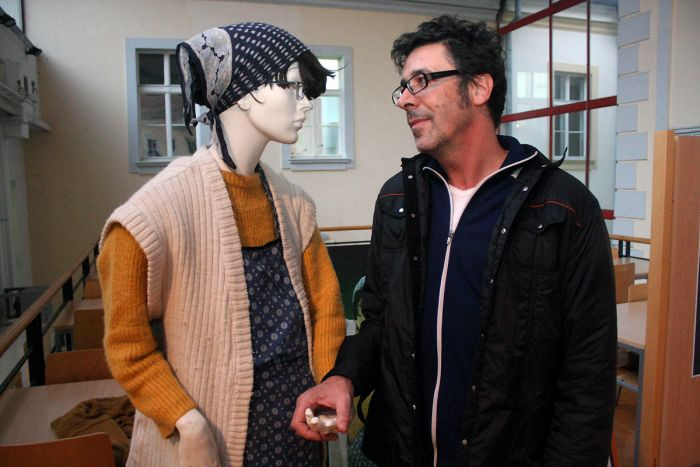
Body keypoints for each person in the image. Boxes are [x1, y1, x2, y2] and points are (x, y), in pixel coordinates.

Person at [292, 15, 617, 466]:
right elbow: (381, 323)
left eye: (422, 81)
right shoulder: (398, 198)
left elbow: (587, 371)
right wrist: (343, 377)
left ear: (479, 87)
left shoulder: (561, 207)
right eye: (404, 86)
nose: (406, 99)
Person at [97, 22, 346, 466]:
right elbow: (128, 346)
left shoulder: (295, 205)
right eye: (291, 86)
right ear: (244, 92)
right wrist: (186, 422)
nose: (306, 103)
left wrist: (328, 382)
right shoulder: (151, 216)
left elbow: (325, 308)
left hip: (300, 434)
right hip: (208, 441)